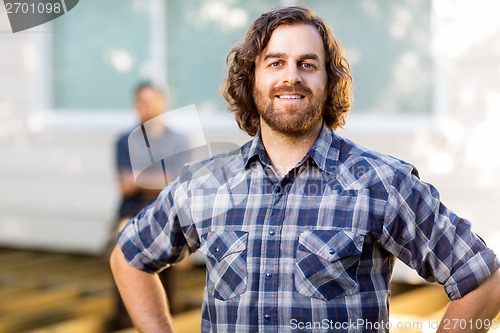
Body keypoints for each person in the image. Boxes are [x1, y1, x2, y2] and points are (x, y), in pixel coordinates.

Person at [110, 6, 500, 333]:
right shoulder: (204, 183)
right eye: (275, 62)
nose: (291, 76)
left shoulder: (381, 183)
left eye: (307, 64)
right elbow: (128, 258)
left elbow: (484, 282)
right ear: (252, 79)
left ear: (329, 82)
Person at [111, 82, 191, 329]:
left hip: (169, 213)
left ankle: (169, 314)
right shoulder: (125, 140)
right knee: (124, 252)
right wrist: (162, 179)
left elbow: (178, 181)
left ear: (162, 103)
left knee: (172, 255)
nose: (144, 107)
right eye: (140, 102)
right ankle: (125, 319)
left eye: (150, 101)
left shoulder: (179, 140)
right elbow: (126, 185)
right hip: (132, 212)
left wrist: (141, 180)